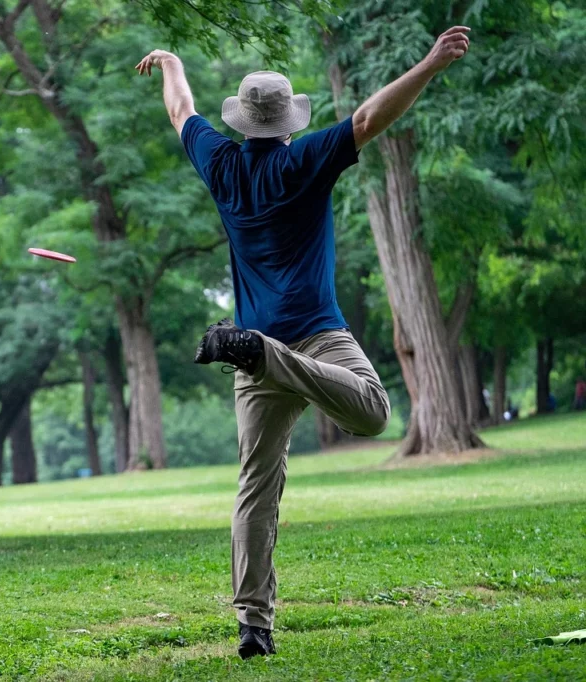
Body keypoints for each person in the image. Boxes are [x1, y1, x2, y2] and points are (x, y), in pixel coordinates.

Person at [136, 25, 470, 659]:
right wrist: (430, 62)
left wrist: (173, 62)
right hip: (314, 336)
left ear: (241, 122)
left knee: (254, 487)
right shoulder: (304, 158)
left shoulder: (221, 162)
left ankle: (253, 625)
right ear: (287, 121)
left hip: (253, 345)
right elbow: (371, 115)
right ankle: (253, 628)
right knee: (372, 410)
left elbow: (181, 109)